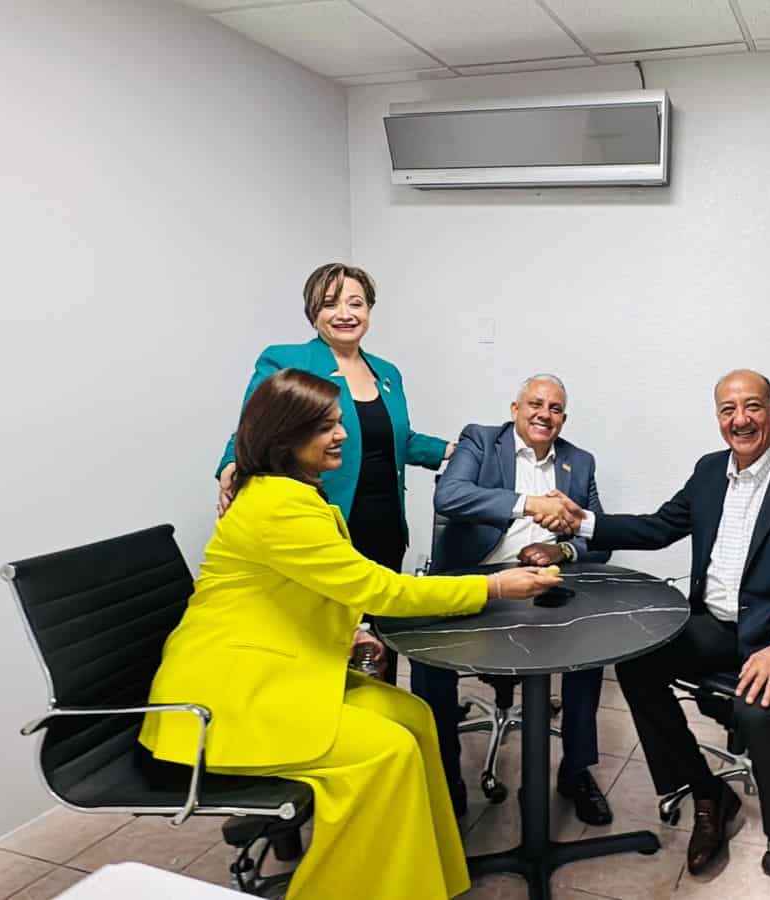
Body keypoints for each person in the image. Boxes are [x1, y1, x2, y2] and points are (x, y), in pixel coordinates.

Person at [140, 369, 558, 900]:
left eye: (339, 423)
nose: (341, 435)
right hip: (225, 698)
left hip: (275, 670)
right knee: (388, 752)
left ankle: (426, 885)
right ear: (284, 436)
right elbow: (381, 590)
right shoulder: (277, 507)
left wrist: (353, 630)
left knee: (414, 716)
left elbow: (306, 588)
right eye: (326, 427)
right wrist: (494, 586)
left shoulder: (291, 494)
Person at [555, 369, 770, 900]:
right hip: (716, 626)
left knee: (755, 709)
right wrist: (585, 523)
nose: (741, 419)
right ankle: (708, 793)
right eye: (728, 409)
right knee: (637, 661)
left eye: (753, 406)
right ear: (718, 418)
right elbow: (659, 527)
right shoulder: (709, 471)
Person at [216, 263, 454, 683]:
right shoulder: (288, 360)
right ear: (313, 312)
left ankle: (380, 705)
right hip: (324, 521)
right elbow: (255, 425)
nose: (345, 313)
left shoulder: (387, 373)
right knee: (328, 644)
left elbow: (397, 438)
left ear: (369, 310)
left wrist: (454, 450)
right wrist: (231, 466)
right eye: (330, 303)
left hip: (384, 523)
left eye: (355, 303)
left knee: (380, 632)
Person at [411, 374, 614, 824]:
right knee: (426, 658)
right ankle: (445, 777)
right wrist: (529, 504)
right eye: (535, 404)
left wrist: (562, 551)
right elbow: (449, 495)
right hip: (478, 585)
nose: (545, 414)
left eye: (555, 408)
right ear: (515, 409)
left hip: (544, 590)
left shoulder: (579, 463)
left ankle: (576, 771)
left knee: (593, 646)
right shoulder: (481, 442)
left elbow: (598, 539)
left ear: (564, 419)